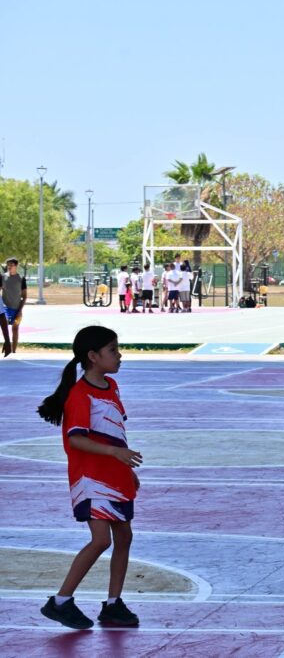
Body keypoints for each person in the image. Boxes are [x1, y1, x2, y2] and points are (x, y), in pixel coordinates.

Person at [36, 326, 142, 630]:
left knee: (124, 537)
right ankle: (61, 601)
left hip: (115, 475)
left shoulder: (111, 387)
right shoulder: (80, 395)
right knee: (101, 540)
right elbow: (76, 439)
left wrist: (126, 468)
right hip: (92, 480)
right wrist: (115, 454)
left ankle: (113, 604)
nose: (119, 355)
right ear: (93, 356)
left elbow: (114, 433)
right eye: (113, 350)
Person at [2, 258, 28, 353]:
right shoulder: (2, 277)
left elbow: (24, 296)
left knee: (15, 328)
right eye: (8, 265)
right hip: (4, 308)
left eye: (11, 265)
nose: (9, 267)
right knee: (5, 327)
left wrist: (20, 310)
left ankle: (13, 352)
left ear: (16, 266)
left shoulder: (21, 279)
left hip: (17, 309)